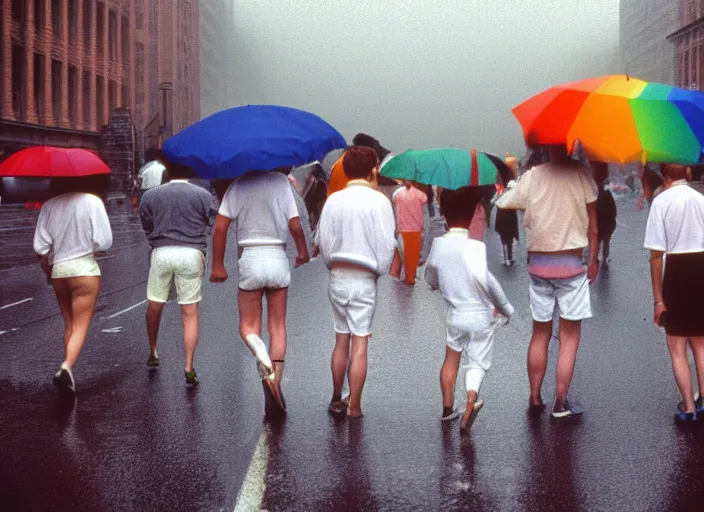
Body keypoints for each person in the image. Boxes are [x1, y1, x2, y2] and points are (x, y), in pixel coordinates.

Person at [496, 144, 598, 418]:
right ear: (569, 144)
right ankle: (561, 402)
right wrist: (594, 258)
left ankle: (535, 396)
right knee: (569, 337)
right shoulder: (581, 173)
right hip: (571, 264)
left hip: (539, 267)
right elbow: (594, 225)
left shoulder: (532, 175)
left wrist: (515, 175)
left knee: (540, 333)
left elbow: (505, 201)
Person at [210, 170, 310, 417]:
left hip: (250, 257)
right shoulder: (281, 183)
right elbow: (295, 224)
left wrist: (218, 265)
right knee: (278, 327)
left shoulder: (237, 184)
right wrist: (302, 252)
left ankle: (261, 355)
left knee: (248, 327)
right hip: (277, 256)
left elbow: (221, 227)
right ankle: (274, 383)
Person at [317, 146, 399, 418]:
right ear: (373, 169)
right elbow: (387, 243)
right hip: (365, 277)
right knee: (360, 343)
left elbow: (324, 242)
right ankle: (354, 406)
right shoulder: (380, 202)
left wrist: (332, 264)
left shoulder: (333, 201)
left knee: (341, 338)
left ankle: (335, 396)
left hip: (338, 275)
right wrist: (380, 270)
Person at [425, 187, 514, 432]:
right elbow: (486, 280)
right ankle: (471, 398)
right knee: (476, 362)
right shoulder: (474, 246)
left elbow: (430, 277)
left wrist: (438, 284)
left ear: (444, 213)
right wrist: (504, 308)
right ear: (472, 214)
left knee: (451, 359)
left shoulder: (438, 244)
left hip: (455, 317)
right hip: (480, 317)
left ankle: (447, 409)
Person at [139, 162, 218, 386]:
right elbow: (213, 224)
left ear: (166, 173)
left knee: (154, 306)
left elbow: (146, 223)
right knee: (189, 313)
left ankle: (153, 351)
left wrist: (155, 239)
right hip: (192, 253)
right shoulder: (203, 195)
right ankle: (188, 367)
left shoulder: (151, 196)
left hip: (161, 252)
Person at [33, 175, 113, 393]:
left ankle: (69, 374)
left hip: (59, 270)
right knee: (81, 325)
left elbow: (41, 247)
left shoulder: (49, 205)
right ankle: (66, 366)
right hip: (85, 269)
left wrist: (48, 269)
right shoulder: (92, 201)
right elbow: (104, 240)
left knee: (69, 324)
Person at [644, 164, 704, 423]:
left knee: (677, 347)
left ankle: (688, 406)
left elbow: (656, 256)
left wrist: (659, 300)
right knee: (701, 344)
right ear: (688, 174)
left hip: (676, 274)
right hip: (701, 270)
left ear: (665, 176)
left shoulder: (661, 202)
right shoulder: (701, 200)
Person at [392, 181, 428, 285]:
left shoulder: (397, 194)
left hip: (402, 229)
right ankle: (410, 276)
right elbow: (425, 206)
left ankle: (407, 276)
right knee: (413, 254)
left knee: (403, 252)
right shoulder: (421, 195)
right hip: (416, 229)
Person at [495, 157, 520, 266]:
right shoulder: (511, 180)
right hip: (508, 211)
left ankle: (507, 257)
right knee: (507, 236)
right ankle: (508, 257)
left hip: (503, 211)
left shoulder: (499, 178)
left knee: (505, 236)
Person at [592, 162, 617, 267]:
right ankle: (605, 258)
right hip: (609, 224)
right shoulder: (608, 195)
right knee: (606, 242)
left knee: (597, 241)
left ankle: (595, 258)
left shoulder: (594, 197)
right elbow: (614, 210)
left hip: (599, 224)